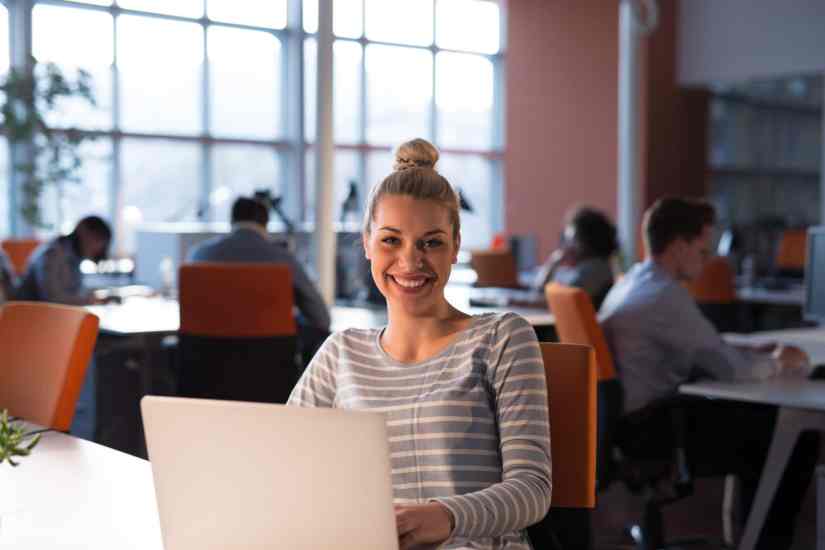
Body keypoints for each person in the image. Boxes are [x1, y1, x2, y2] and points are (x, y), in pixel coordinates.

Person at [288, 138, 552, 550]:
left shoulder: (502, 338)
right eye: (391, 240)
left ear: (455, 245)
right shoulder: (340, 353)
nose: (410, 262)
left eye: (431, 242)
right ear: (366, 243)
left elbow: (532, 489)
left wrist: (446, 517)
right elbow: (282, 467)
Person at [600, 196, 818, 550]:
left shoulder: (633, 282)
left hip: (632, 424)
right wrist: (782, 362)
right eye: (702, 251)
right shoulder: (666, 295)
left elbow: (702, 344)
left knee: (757, 423)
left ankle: (747, 536)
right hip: (659, 430)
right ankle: (764, 543)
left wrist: (747, 347)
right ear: (678, 245)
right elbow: (731, 369)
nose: (708, 260)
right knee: (787, 433)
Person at [187, 196, 331, 363]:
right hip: (269, 366)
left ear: (232, 220)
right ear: (265, 223)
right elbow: (322, 319)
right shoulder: (283, 259)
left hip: (206, 362)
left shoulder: (199, 255)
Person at [532, 206, 618, 308]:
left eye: (572, 239)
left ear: (588, 241)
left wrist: (553, 263)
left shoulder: (594, 270)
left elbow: (557, 303)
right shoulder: (589, 267)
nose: (567, 245)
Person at [15, 216, 111, 305]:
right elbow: (54, 300)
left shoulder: (74, 256)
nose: (99, 248)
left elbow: (74, 291)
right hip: (33, 317)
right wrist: (88, 300)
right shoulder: (52, 254)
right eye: (97, 240)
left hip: (53, 316)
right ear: (83, 231)